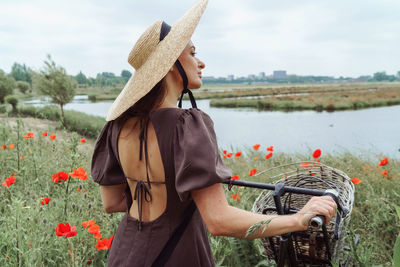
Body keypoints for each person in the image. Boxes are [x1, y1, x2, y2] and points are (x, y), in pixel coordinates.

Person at [91, 0, 337, 266]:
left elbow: (112, 202)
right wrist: (297, 220)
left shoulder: (117, 126)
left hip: (125, 254)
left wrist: (155, 192)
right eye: (193, 53)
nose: (201, 63)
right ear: (171, 63)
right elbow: (218, 221)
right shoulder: (186, 125)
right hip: (177, 256)